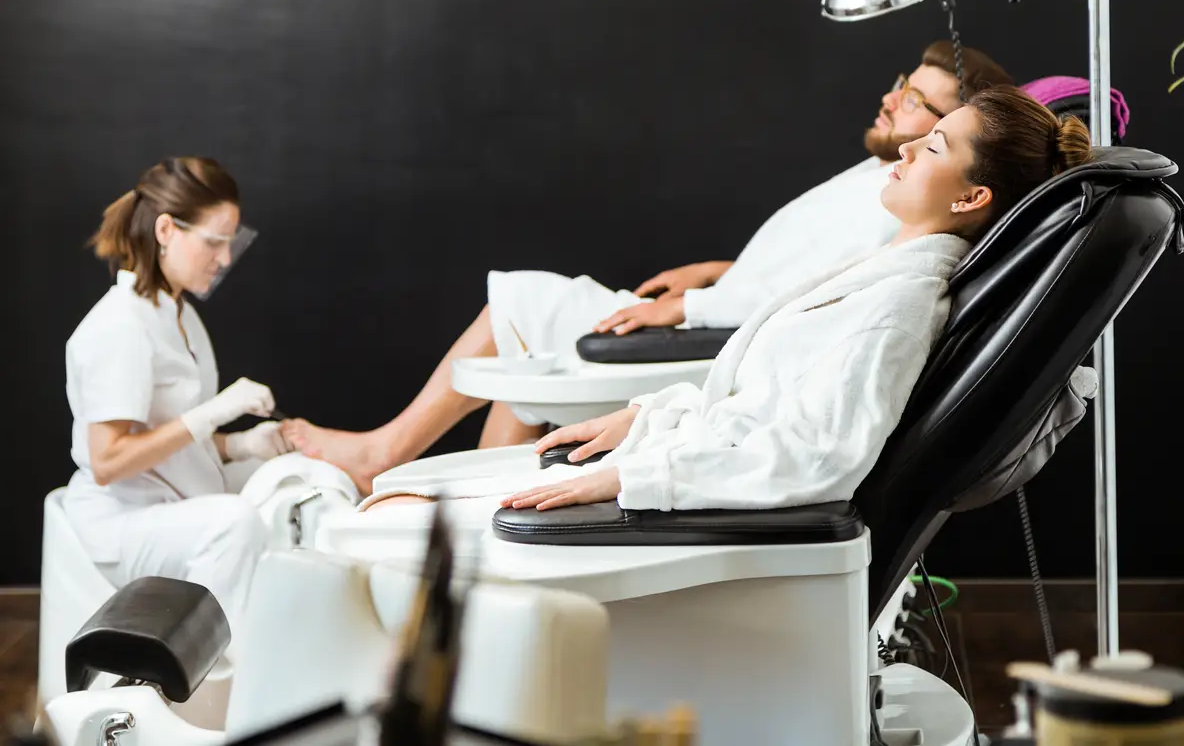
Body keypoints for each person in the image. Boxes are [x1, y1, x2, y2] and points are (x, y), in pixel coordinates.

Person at [341, 85, 1092, 525]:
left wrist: (633, 478)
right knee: (397, 497)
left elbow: (819, 457)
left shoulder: (897, 304)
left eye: (931, 147)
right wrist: (645, 416)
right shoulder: (882, 270)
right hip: (681, 450)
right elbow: (768, 402)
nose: (902, 149)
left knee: (386, 514)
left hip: (689, 493)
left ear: (971, 195)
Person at [63, 157, 292, 657]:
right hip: (121, 518)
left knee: (289, 479)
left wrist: (240, 444)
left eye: (233, 241)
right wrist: (211, 414)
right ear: (166, 229)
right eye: (214, 241)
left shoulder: (178, 313)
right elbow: (109, 461)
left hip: (168, 498)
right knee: (235, 523)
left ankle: (275, 650)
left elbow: (170, 436)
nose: (226, 258)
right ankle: (211, 676)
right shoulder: (121, 326)